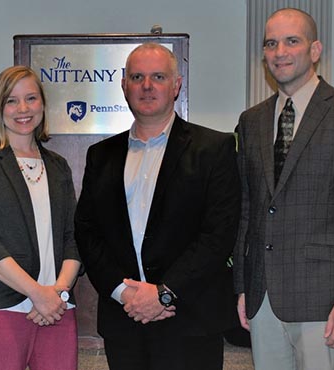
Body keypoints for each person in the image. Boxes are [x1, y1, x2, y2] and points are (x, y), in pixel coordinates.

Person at [74, 43, 241, 370]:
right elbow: (87, 231)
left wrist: (164, 293)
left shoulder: (214, 149)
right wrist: (124, 292)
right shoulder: (101, 155)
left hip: (189, 319)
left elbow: (218, 235)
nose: (147, 86)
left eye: (158, 77)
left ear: (176, 85)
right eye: (137, 77)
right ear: (124, 85)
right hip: (125, 320)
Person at [234, 8, 334, 370]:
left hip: (325, 298)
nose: (279, 51)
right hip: (262, 294)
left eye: (291, 41)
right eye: (270, 43)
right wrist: (241, 286)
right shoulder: (251, 121)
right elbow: (248, 208)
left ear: (314, 50)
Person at [0, 65, 82, 370]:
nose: (23, 109)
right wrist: (36, 293)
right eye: (11, 101)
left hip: (57, 306)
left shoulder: (58, 166)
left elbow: (73, 237)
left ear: (42, 104)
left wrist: (57, 293)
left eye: (31, 98)